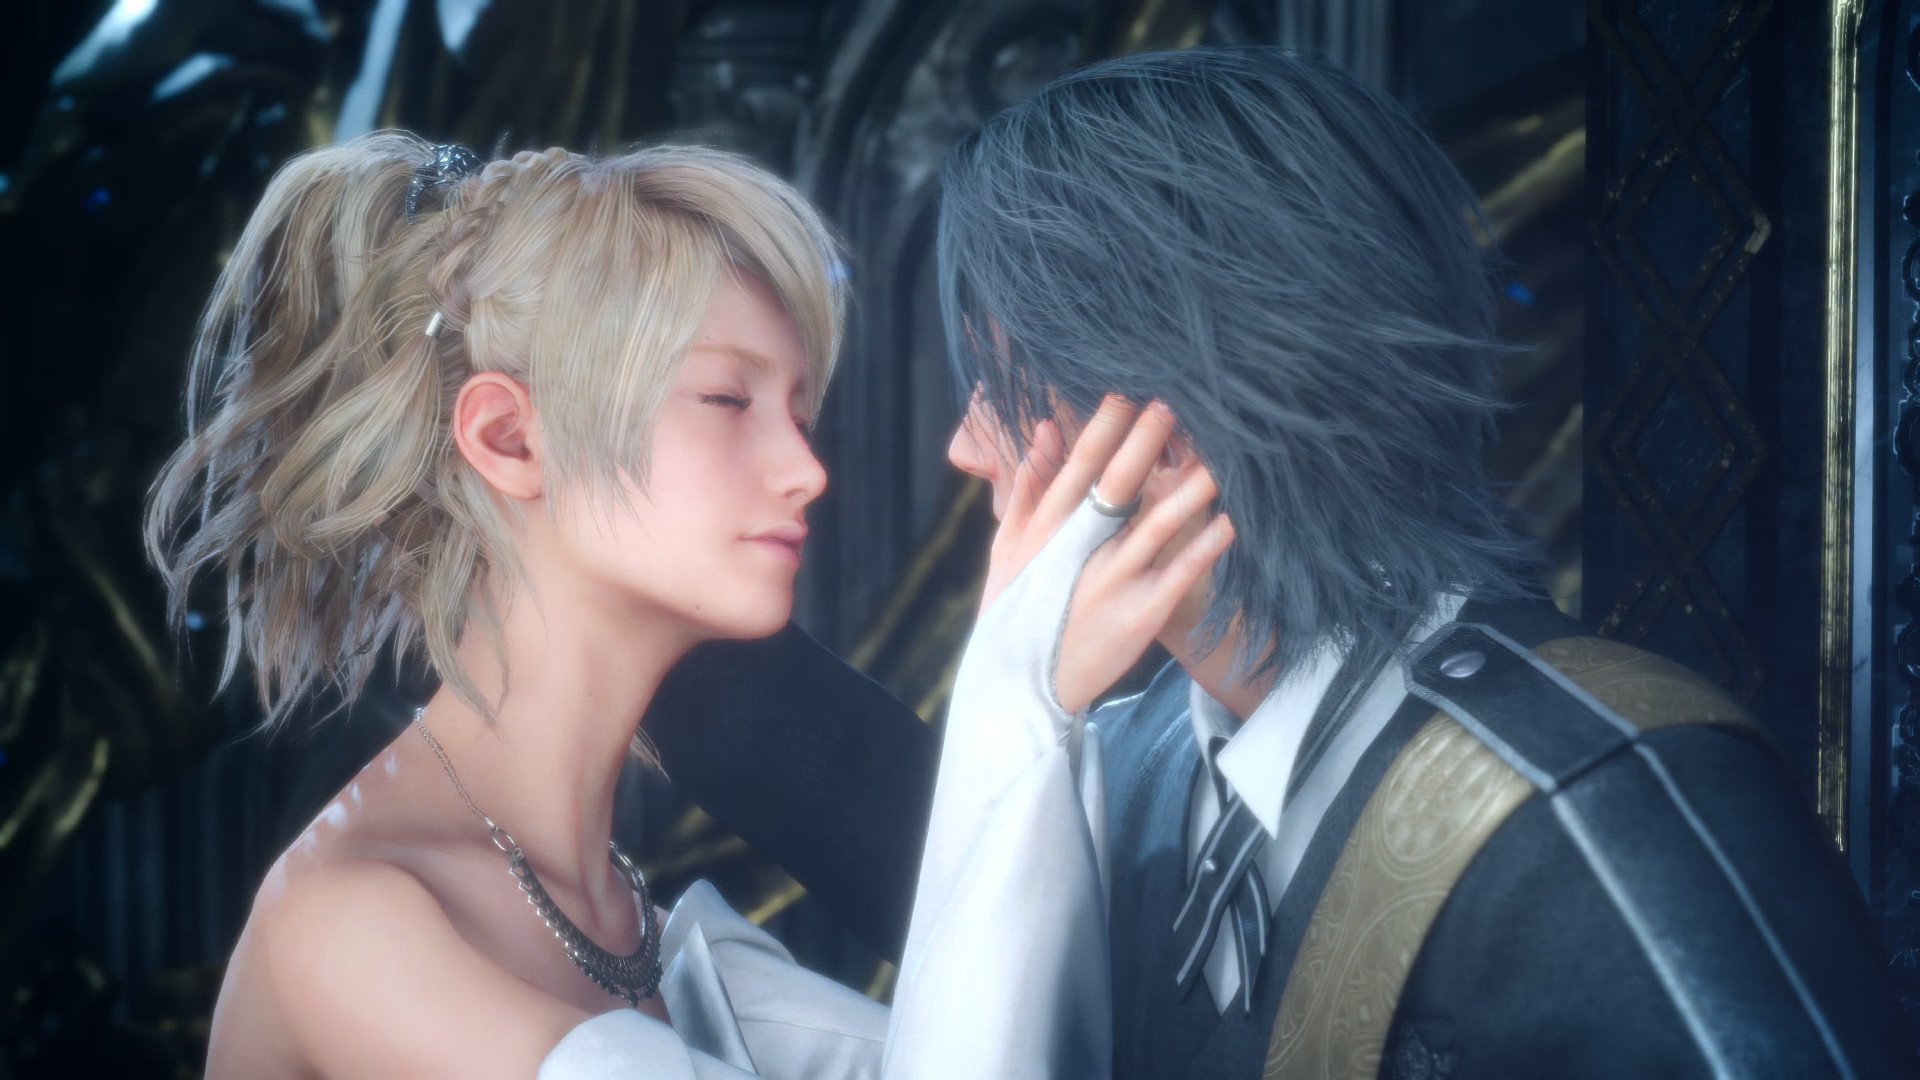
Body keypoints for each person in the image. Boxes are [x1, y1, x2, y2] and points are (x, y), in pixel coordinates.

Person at [650, 46, 1916, 1078]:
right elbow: (955, 880)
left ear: (1176, 418)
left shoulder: (1607, 812)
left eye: (1006, 386)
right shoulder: (1159, 749)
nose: (967, 445)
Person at [144, 131, 1216, 1077]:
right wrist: (1012, 697)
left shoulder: (623, 919)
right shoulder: (355, 926)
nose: (806, 470)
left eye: (799, 411)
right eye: (726, 399)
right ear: (509, 439)